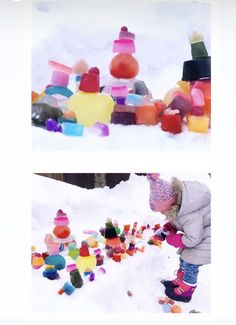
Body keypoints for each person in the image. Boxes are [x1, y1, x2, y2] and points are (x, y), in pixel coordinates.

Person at [147, 173, 211, 302]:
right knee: (184, 259)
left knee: (191, 264)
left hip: (208, 239)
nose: (161, 213)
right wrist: (168, 229)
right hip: (199, 235)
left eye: (162, 211)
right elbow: (179, 221)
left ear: (171, 204)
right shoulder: (182, 206)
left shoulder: (190, 214)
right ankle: (180, 280)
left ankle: (186, 290)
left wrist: (174, 239)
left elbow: (193, 239)